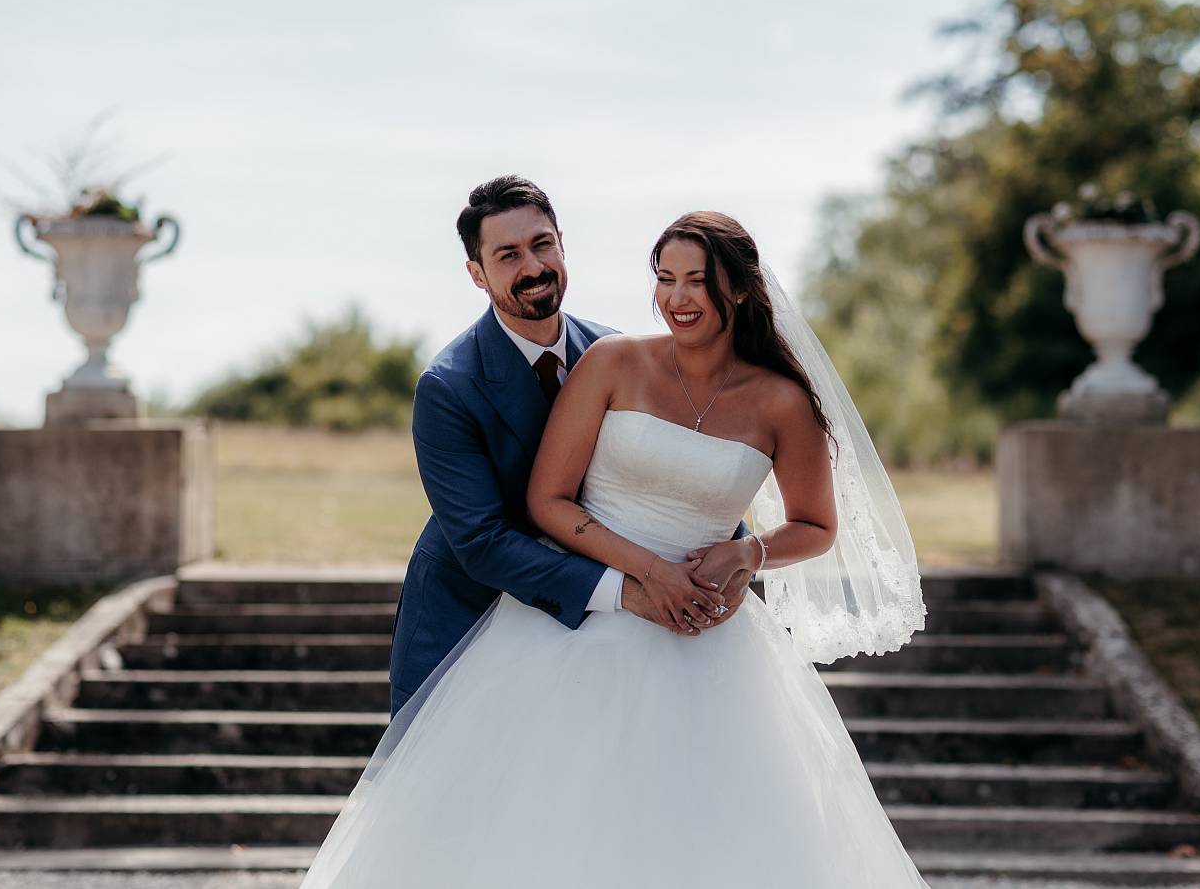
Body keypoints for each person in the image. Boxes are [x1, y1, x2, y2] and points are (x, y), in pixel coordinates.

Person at [304, 205, 929, 888]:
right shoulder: (470, 382)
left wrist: (744, 555)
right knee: (505, 825)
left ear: (743, 288)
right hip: (527, 614)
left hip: (709, 638)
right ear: (476, 272)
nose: (678, 297)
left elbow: (803, 521)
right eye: (666, 278)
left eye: (541, 244)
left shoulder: (764, 396)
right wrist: (643, 581)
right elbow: (502, 529)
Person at [388, 176, 748, 715]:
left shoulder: (616, 353)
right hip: (471, 623)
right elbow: (483, 541)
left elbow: (676, 456)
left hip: (614, 642)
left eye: (541, 245)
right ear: (477, 274)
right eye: (507, 255)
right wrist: (627, 591)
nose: (532, 268)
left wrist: (731, 550)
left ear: (562, 243)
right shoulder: (448, 387)